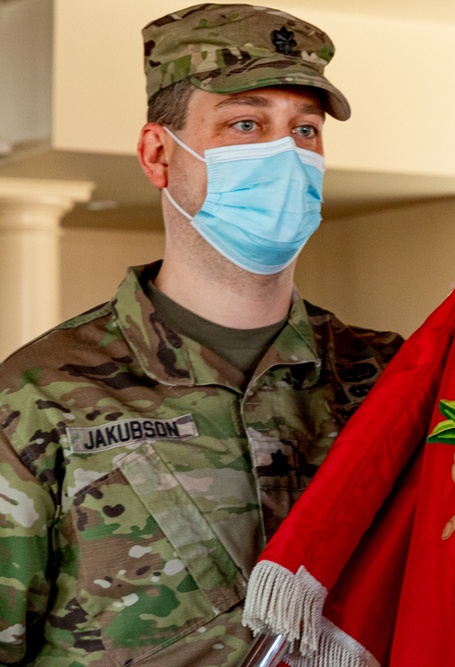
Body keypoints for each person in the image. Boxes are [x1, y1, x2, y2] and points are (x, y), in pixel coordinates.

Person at [0, 4, 402, 665]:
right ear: (159, 154)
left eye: (305, 130)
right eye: (247, 123)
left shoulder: (390, 380)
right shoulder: (39, 394)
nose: (285, 154)